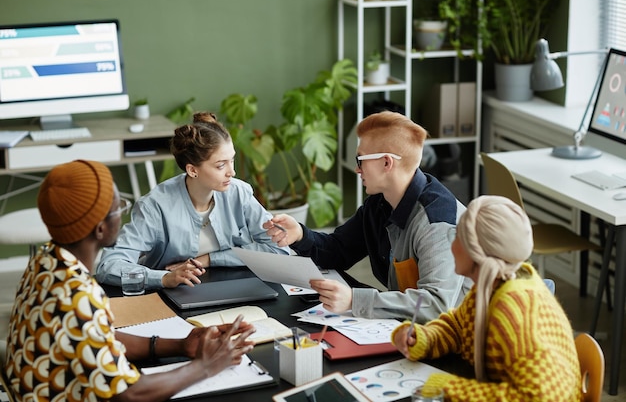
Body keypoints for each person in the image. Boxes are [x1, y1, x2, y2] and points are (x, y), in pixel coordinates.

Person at [5, 160, 256, 402]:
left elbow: (97, 337)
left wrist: (180, 345)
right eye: (119, 209)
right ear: (100, 229)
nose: (123, 214)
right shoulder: (76, 295)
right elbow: (129, 393)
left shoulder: (46, 262)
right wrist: (206, 366)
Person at [264, 111, 470, 321]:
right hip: (412, 329)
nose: (357, 169)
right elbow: (338, 249)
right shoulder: (380, 203)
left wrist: (354, 300)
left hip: (458, 337)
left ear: (387, 163)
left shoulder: (436, 222)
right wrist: (299, 235)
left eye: (360, 160)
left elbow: (436, 305)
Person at [391, 195, 582, 401]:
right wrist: (425, 338)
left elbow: (539, 397)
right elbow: (458, 327)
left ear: (477, 252)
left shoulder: (512, 310)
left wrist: (449, 388)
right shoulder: (492, 285)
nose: (451, 246)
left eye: (458, 238)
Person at [96, 112, 289, 289]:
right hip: (178, 293)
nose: (232, 172)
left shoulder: (239, 192)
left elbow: (279, 250)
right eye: (221, 165)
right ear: (192, 170)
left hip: (238, 286)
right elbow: (109, 265)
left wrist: (211, 259)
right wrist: (163, 278)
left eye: (232, 160)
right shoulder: (155, 206)